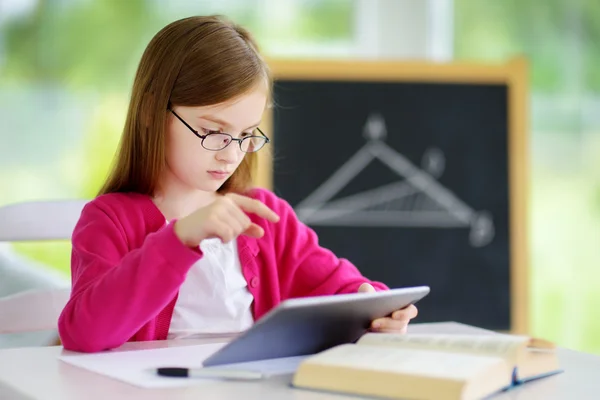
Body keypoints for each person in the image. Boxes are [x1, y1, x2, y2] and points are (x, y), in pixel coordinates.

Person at [57, 15, 418, 353]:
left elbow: (339, 285)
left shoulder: (264, 217)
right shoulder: (110, 220)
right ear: (153, 112)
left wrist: (375, 307)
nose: (232, 154)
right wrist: (180, 239)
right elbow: (83, 333)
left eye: (246, 134)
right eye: (214, 132)